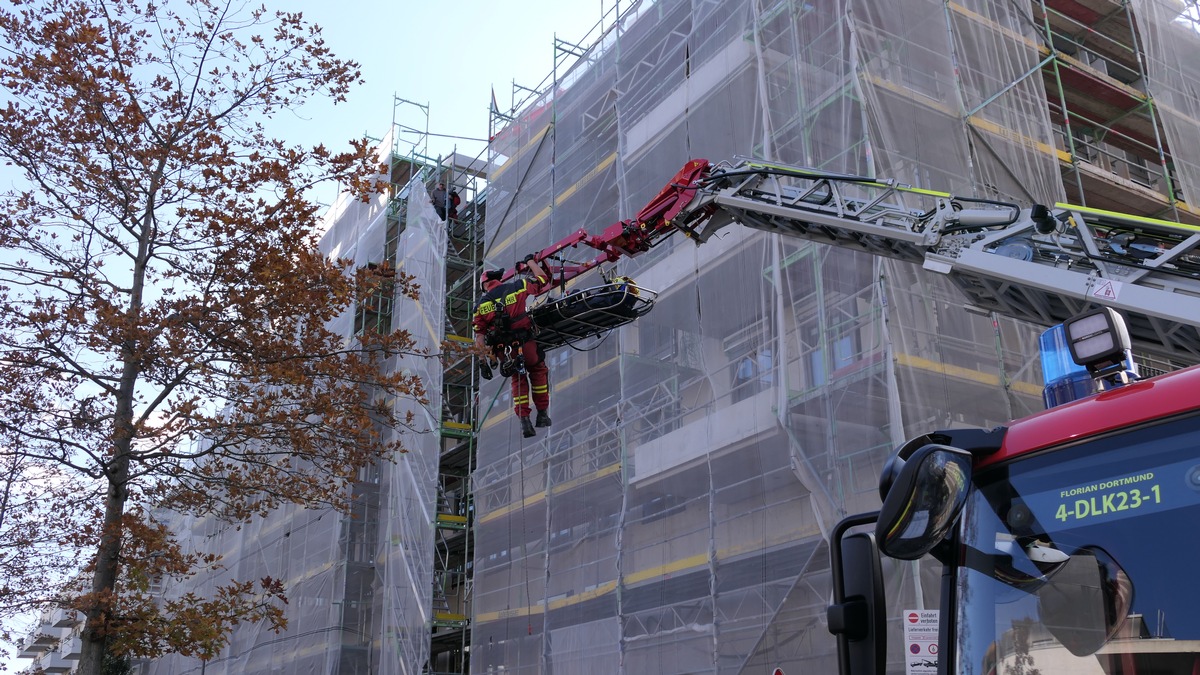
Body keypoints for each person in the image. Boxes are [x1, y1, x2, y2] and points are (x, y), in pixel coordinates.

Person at [473, 256, 552, 438]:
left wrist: (483, 362)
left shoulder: (479, 306)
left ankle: (524, 421)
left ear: (484, 285)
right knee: (538, 370)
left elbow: (479, 337)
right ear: (498, 280)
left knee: (518, 379)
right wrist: (531, 262)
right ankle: (542, 415)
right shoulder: (517, 286)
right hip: (526, 344)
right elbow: (542, 279)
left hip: (504, 353)